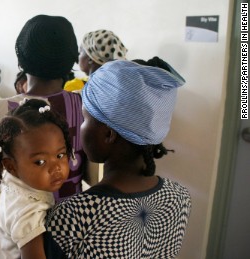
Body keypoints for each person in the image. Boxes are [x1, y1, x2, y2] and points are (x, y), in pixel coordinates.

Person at [44, 58, 192, 258]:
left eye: (85, 118)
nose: (80, 127)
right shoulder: (179, 197)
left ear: (108, 135)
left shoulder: (71, 216)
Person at [0, 15, 87, 204]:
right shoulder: (84, 105)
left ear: (21, 57)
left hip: (17, 225)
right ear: (72, 58)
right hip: (71, 222)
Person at [0, 99, 71, 259]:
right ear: (11, 165)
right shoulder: (28, 214)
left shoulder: (3, 178)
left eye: (60, 155)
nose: (56, 167)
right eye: (40, 162)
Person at [64, 29, 128, 92]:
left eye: (80, 52)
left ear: (90, 59)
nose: (77, 56)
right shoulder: (122, 86)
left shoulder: (73, 88)